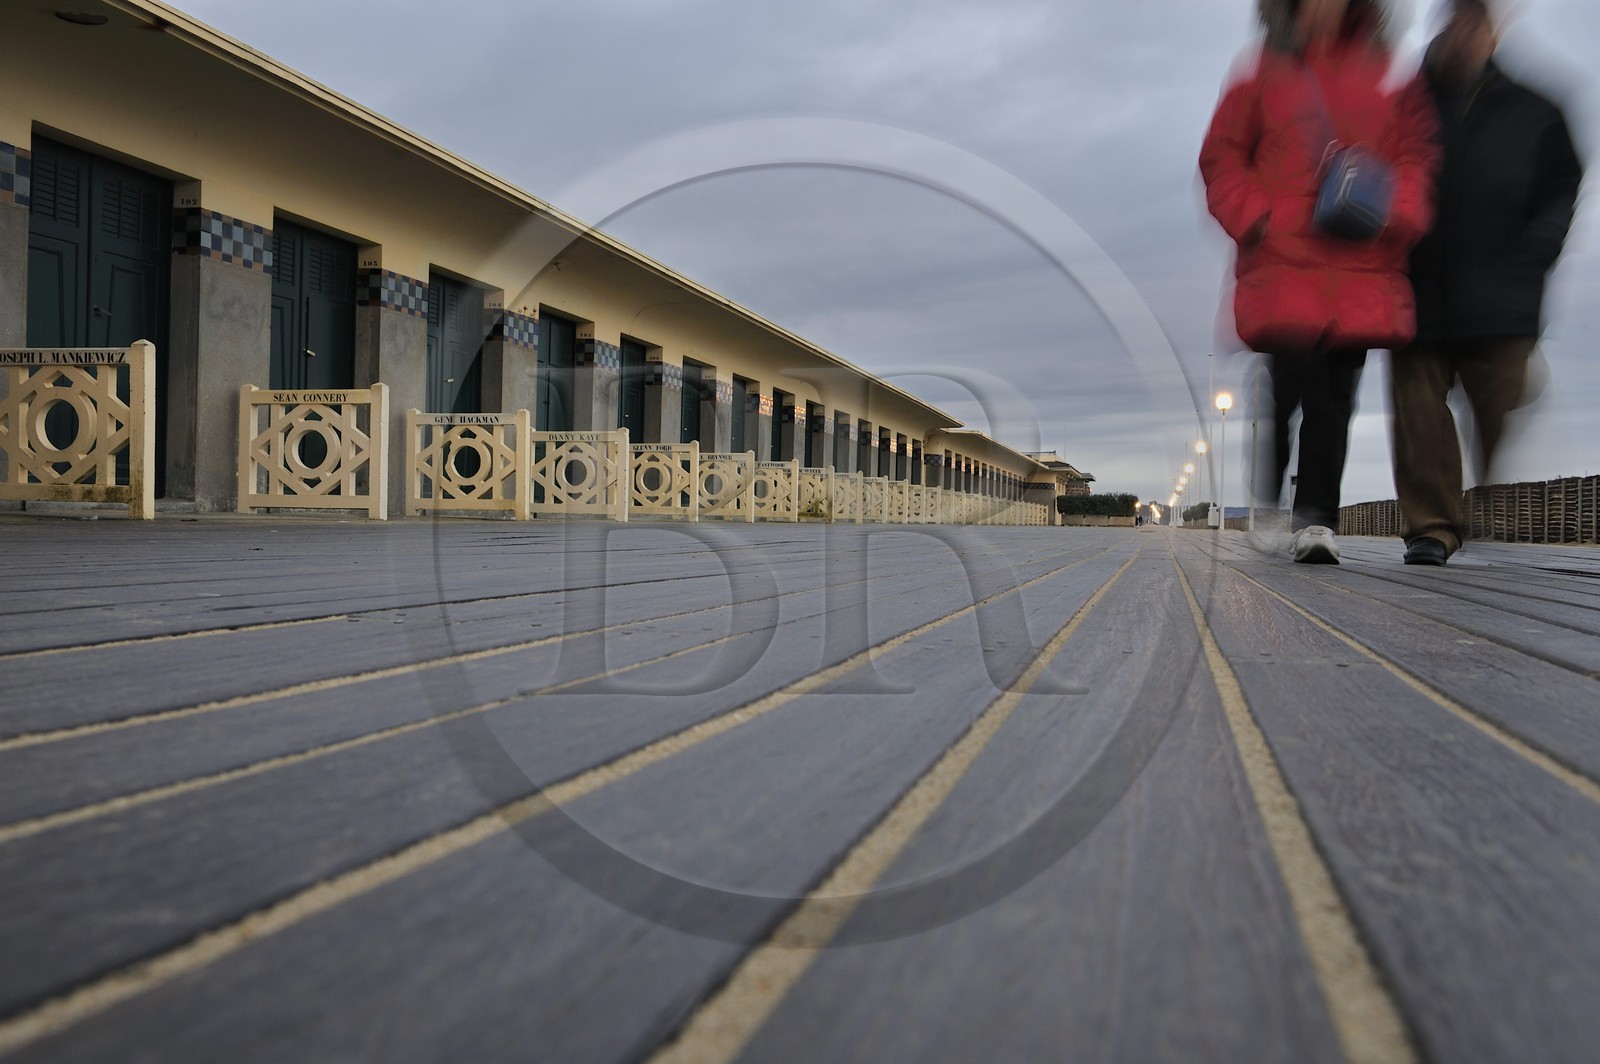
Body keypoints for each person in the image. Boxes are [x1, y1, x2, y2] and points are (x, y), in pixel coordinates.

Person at [1201, 0, 1439, 563]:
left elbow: (1416, 158)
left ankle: (1317, 520)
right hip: (1285, 265)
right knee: (1287, 391)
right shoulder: (1262, 74)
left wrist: (1394, 213)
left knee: (1335, 398)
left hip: (1359, 267)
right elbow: (1222, 157)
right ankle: (1267, 503)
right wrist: (1259, 216)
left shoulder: (1386, 79)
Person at [1390, 0, 1583, 565]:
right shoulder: (1400, 107)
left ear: (1495, 34)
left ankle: (1490, 494)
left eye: (1479, 24)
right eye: (1457, 22)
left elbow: (1562, 185)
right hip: (1416, 288)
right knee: (1419, 414)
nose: (1466, 34)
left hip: (1504, 294)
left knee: (1499, 395)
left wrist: (1535, 255)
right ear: (1443, 27)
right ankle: (1433, 527)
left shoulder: (1536, 109)